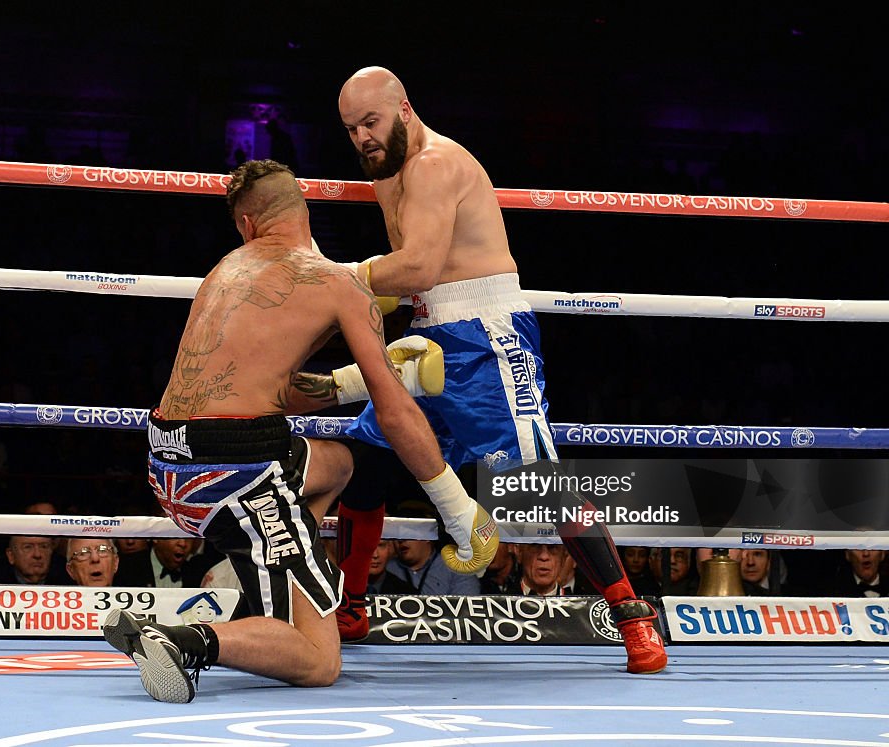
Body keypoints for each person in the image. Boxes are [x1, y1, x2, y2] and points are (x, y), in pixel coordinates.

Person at [101, 159, 497, 703]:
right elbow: (398, 413)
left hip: (166, 461)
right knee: (319, 662)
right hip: (236, 474)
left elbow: (265, 388)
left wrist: (350, 384)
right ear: (304, 209)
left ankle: (271, 581)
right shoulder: (338, 282)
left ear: (245, 225)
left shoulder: (225, 271)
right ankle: (181, 640)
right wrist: (455, 505)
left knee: (341, 463)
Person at [332, 66, 666, 673]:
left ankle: (633, 616)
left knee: (538, 483)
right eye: (351, 129)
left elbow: (419, 267)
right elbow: (404, 280)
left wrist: (328, 281)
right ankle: (350, 607)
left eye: (371, 122)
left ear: (404, 109)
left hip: (484, 333)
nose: (361, 138)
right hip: (427, 333)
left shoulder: (434, 163)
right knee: (370, 463)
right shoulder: (386, 169)